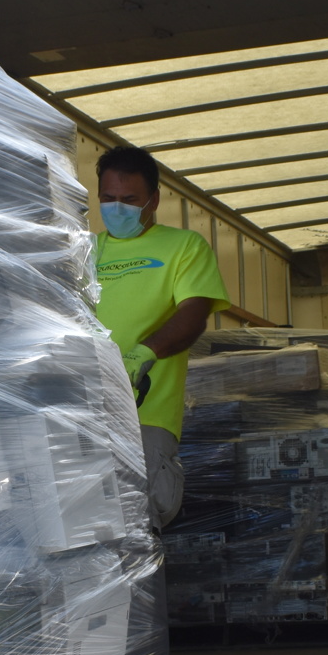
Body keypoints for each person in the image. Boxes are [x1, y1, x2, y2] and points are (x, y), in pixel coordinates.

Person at [93, 143, 230, 527]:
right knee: (84, 529)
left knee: (137, 524)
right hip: (83, 414)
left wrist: (143, 353)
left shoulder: (184, 247)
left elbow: (194, 313)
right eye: (108, 198)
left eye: (129, 199)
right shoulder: (83, 252)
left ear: (153, 200)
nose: (117, 208)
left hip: (145, 416)